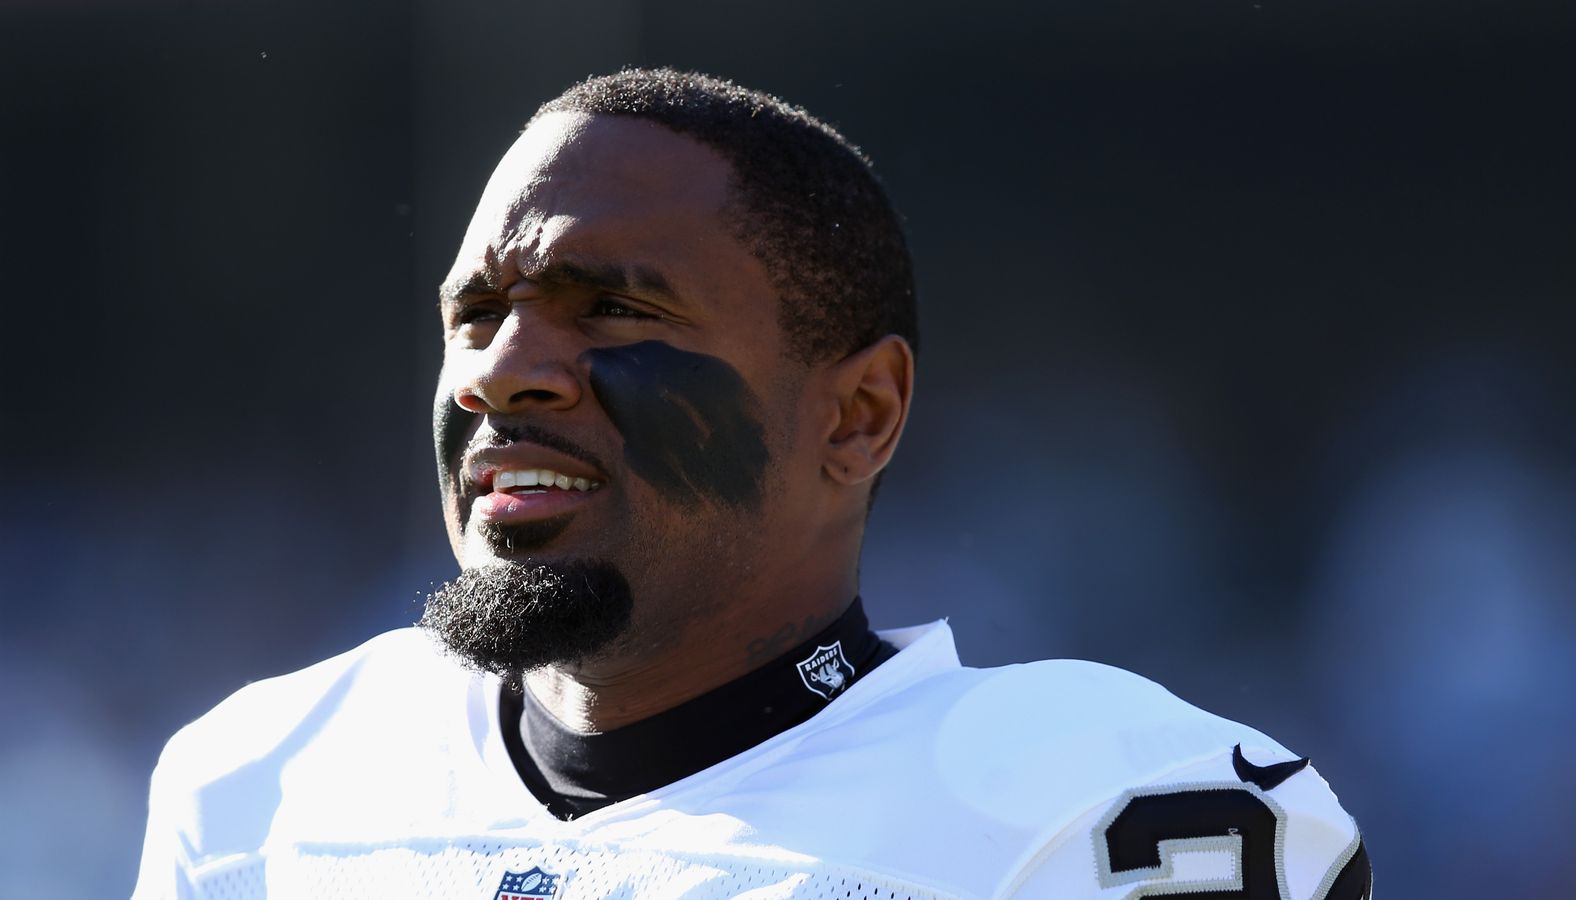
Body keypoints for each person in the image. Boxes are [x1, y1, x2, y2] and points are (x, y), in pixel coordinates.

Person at [134, 68, 1370, 899]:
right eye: (475, 316)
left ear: (857, 414)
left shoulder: (1095, 805)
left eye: (614, 309)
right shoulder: (258, 777)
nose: (502, 375)